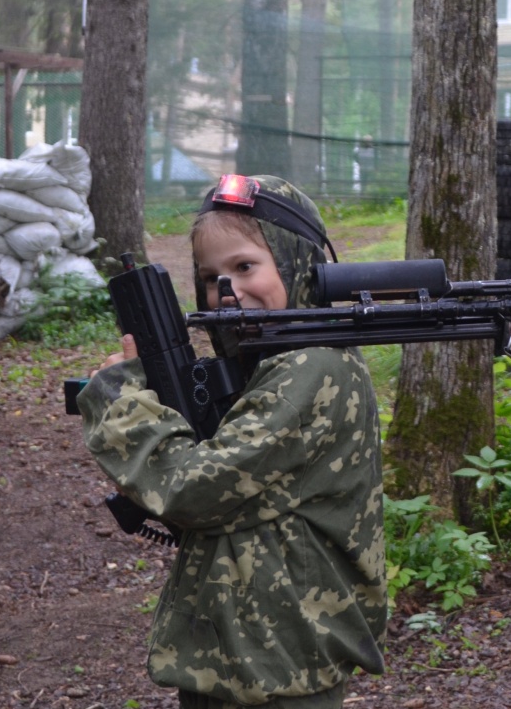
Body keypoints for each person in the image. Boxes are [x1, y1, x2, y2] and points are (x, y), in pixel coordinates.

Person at [78, 174, 387, 709]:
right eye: (209, 276)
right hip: (245, 655)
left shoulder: (313, 368)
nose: (228, 291)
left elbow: (189, 490)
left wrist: (122, 402)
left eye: (245, 267)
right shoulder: (272, 362)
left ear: (298, 264)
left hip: (279, 664)